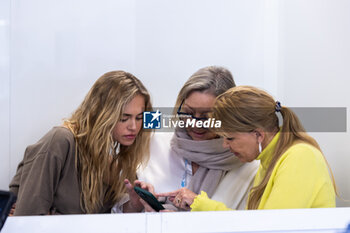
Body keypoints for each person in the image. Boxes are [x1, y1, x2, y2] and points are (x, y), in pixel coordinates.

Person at [159, 86, 337, 211]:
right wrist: (198, 203)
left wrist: (201, 205)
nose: (225, 145)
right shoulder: (268, 162)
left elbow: (272, 228)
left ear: (259, 135)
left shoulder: (300, 157)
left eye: (230, 138)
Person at [9, 70, 153, 215]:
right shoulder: (61, 141)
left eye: (139, 118)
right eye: (124, 118)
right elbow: (27, 215)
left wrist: (135, 205)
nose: (133, 127)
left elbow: (107, 221)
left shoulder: (115, 166)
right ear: (102, 114)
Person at [134, 67, 259, 211]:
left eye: (207, 117)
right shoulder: (150, 147)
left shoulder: (248, 166)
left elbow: (250, 224)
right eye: (188, 113)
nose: (195, 123)